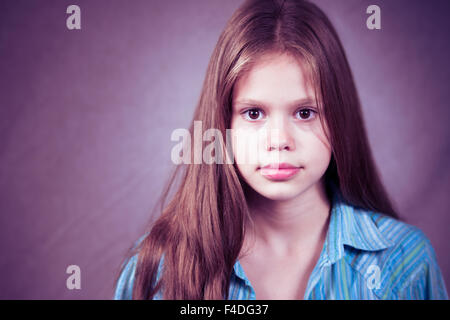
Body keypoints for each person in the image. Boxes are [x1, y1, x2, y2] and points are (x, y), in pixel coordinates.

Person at [114, 0, 448, 300]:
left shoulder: (405, 263)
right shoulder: (158, 271)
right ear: (223, 125)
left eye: (305, 113)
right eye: (254, 113)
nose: (279, 140)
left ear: (339, 119)